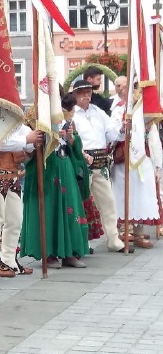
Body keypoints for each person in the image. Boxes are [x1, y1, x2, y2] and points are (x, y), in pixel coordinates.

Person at [21, 93, 91, 268]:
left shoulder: (66, 116)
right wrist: (49, 136)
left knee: (70, 207)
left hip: (65, 165)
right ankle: (50, 254)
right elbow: (29, 146)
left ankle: (70, 253)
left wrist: (69, 137)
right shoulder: (33, 115)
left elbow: (76, 144)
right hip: (46, 167)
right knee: (50, 209)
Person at [70, 80, 132, 254]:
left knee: (108, 202)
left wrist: (122, 128)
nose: (86, 95)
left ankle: (113, 239)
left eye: (88, 91)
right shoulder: (71, 114)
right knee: (81, 204)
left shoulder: (98, 112)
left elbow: (113, 135)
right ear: (74, 94)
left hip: (100, 161)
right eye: (81, 91)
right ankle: (82, 241)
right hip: (81, 160)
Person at [110, 82, 161, 249]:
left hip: (141, 157)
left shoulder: (146, 112)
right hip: (123, 158)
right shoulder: (118, 109)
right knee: (122, 194)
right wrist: (124, 128)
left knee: (141, 194)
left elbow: (153, 137)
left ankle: (138, 233)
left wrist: (157, 164)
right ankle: (123, 231)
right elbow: (112, 132)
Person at [0, 124, 41, 277]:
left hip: (13, 175)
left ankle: (9, 259)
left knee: (16, 220)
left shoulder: (21, 127)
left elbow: (30, 147)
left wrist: (38, 140)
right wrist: (26, 140)